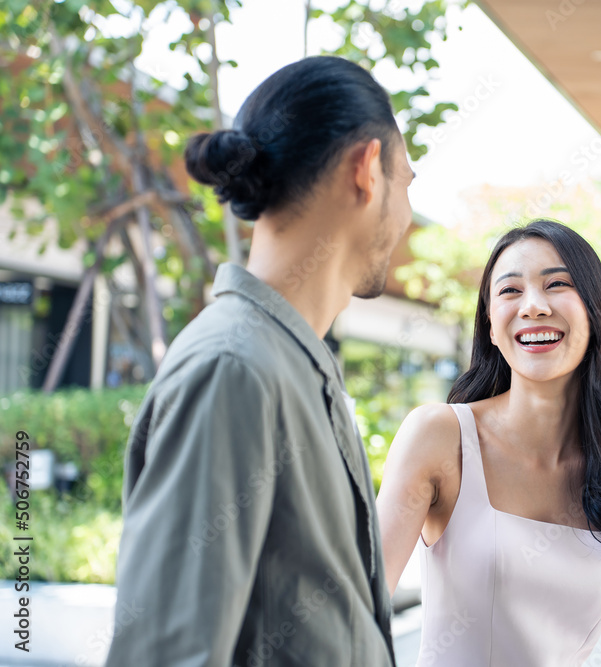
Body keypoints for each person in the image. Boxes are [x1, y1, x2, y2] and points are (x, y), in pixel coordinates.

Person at [106, 55, 414, 666]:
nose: (405, 216)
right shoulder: (236, 368)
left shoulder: (293, 364)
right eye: (408, 181)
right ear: (368, 170)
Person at [376, 219, 601, 666]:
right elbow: (361, 606)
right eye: (510, 291)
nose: (533, 306)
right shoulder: (441, 436)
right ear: (492, 326)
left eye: (557, 284)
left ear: (595, 312)